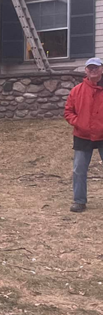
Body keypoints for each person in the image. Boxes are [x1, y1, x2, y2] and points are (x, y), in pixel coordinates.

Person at [64, 58, 103, 212]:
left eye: (96, 67)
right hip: (83, 135)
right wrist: (79, 122)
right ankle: (79, 201)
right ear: (86, 70)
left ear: (101, 69)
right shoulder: (76, 90)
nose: (93, 70)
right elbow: (68, 111)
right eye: (90, 67)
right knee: (78, 169)